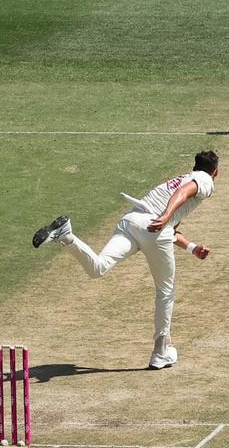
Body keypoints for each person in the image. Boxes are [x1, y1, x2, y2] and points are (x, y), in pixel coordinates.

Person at [32, 151, 217, 369]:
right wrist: (167, 215)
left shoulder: (178, 178)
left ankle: (67, 236)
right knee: (166, 291)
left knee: (98, 268)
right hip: (153, 227)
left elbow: (170, 228)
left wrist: (192, 247)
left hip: (131, 221)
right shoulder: (204, 180)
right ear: (216, 172)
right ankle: (161, 351)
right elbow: (183, 193)